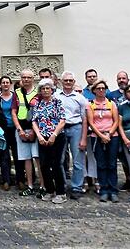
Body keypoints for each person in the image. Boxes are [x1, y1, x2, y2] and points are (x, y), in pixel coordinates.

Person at [32, 78, 67, 204]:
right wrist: (40, 136)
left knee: (57, 165)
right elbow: (34, 121)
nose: (46, 90)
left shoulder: (58, 102)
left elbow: (62, 120)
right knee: (44, 165)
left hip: (57, 137)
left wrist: (54, 135)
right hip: (42, 138)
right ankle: (49, 190)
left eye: (48, 88)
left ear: (52, 90)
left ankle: (61, 192)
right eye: (43, 88)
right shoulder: (38, 104)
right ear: (40, 91)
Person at [54, 71, 88, 199]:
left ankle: (76, 187)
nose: (68, 82)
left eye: (70, 80)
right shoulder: (56, 96)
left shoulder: (80, 98)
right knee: (60, 160)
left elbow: (84, 119)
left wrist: (84, 138)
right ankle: (62, 185)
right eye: (66, 80)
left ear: (74, 82)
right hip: (60, 129)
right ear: (61, 81)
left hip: (76, 128)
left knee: (78, 160)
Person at [87, 80, 120, 202]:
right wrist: (101, 135)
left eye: (103, 88)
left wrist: (109, 134)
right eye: (99, 88)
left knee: (112, 164)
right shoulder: (90, 104)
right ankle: (104, 190)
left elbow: (116, 120)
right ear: (94, 90)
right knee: (101, 164)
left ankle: (113, 190)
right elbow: (91, 122)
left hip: (112, 136)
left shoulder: (111, 104)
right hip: (97, 137)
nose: (101, 90)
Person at [13, 69, 42, 196]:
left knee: (38, 158)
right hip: (21, 128)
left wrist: (35, 132)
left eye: (28, 77)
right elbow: (14, 112)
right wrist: (19, 129)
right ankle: (29, 185)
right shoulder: (17, 93)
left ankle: (42, 185)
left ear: (33, 79)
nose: (26, 80)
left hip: (35, 129)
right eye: (24, 77)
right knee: (26, 159)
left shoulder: (39, 93)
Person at [0, 75, 20, 191]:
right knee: (4, 155)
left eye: (7, 82)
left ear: (10, 84)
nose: (5, 84)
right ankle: (6, 180)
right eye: (3, 82)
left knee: (17, 154)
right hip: (2, 129)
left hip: (15, 129)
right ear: (0, 84)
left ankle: (20, 179)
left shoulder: (16, 97)